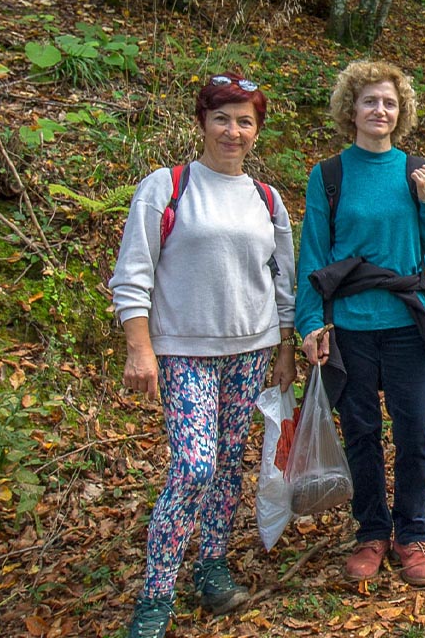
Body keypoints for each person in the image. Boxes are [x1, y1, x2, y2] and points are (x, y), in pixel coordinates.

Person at [112, 73, 297, 638]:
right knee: (193, 465)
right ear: (202, 123)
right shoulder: (166, 187)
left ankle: (211, 566)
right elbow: (132, 275)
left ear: (257, 130)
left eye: (245, 121)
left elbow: (283, 280)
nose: (233, 131)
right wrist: (139, 348)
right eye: (222, 118)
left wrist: (286, 347)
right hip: (184, 350)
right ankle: (156, 595)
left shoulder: (266, 199)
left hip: (251, 349)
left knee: (225, 465)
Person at [296, 60, 425, 587]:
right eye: (370, 101)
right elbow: (313, 256)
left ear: (400, 110)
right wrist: (310, 324)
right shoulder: (329, 174)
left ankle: (412, 534)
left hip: (407, 324)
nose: (379, 110)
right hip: (351, 328)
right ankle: (371, 533)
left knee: (415, 434)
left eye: (389, 102)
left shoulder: (416, 172)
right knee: (361, 433)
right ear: (351, 110)